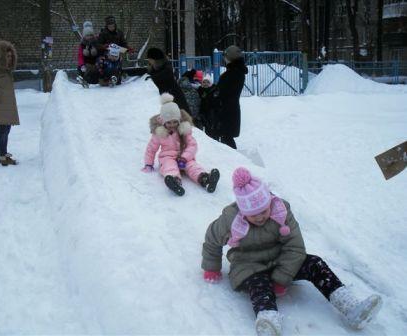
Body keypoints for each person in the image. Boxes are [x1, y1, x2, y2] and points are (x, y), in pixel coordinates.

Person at [201, 167, 383, 336]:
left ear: (269, 201)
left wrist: (282, 277)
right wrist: (212, 267)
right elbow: (211, 240)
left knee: (314, 263)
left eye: (263, 210)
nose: (260, 216)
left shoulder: (281, 212)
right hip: (249, 265)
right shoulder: (230, 220)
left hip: (280, 259)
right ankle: (268, 321)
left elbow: (295, 246)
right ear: (243, 211)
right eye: (253, 214)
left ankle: (350, 306)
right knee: (260, 284)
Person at [142, 93, 219, 196]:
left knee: (193, 167)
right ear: (163, 121)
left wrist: (185, 157)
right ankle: (175, 181)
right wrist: (148, 163)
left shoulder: (183, 130)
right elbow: (151, 149)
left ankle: (205, 179)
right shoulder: (159, 133)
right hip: (167, 157)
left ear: (179, 120)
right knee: (169, 166)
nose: (172, 125)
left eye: (175, 122)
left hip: (184, 158)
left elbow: (192, 145)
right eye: (169, 122)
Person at [0, 40, 19, 166]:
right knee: (1, 132)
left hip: (9, 106)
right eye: (7, 56)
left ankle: (4, 153)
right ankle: (2, 157)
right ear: (1, 56)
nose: (10, 58)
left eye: (11, 56)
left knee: (6, 131)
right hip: (0, 106)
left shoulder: (7, 70)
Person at [217, 45, 248, 149]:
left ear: (231, 58)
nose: (224, 60)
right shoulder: (237, 72)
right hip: (230, 109)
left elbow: (222, 92)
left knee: (226, 139)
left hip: (227, 110)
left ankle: (234, 161)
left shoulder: (232, 74)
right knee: (226, 137)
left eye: (225, 57)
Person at [146, 47, 190, 113]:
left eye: (150, 59)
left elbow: (159, 76)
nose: (148, 61)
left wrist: (150, 77)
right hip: (167, 98)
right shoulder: (156, 68)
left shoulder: (166, 68)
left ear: (155, 59)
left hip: (175, 98)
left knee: (181, 117)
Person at [197, 75, 221, 140]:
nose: (205, 84)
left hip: (212, 113)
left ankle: (215, 141)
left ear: (210, 83)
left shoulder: (214, 90)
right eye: (204, 82)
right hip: (203, 112)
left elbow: (216, 102)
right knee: (206, 128)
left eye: (207, 82)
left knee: (212, 128)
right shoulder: (200, 90)